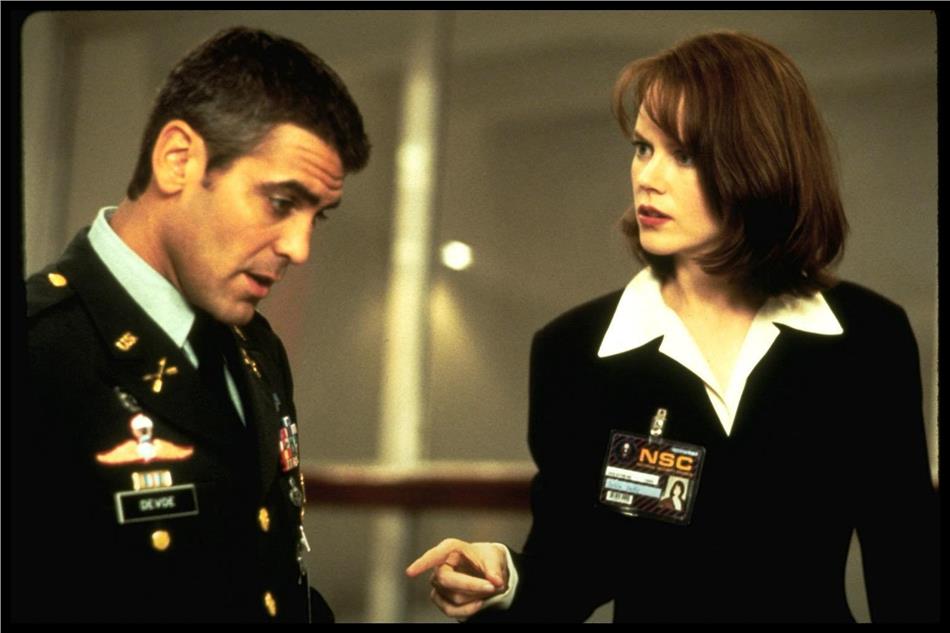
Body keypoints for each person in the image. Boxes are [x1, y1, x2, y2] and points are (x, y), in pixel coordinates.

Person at [406, 31, 938, 622]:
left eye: (683, 155)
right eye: (642, 148)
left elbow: (907, 567)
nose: (647, 177)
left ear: (760, 163)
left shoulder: (867, 338)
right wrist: (502, 577)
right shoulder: (575, 350)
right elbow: (574, 565)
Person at [14, 26, 370, 622]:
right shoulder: (34, 349)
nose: (300, 247)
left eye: (317, 217)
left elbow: (270, 581)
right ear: (178, 160)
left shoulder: (255, 346)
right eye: (282, 203)